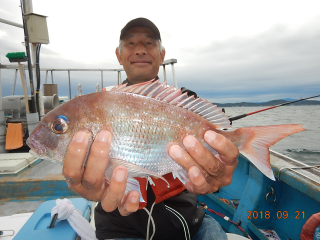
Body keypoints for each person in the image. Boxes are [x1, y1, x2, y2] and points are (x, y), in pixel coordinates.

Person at [62, 18, 239, 240]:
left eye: (149, 44)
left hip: (185, 217)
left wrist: (215, 178)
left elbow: (210, 172)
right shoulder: (98, 105)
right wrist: (81, 180)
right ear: (118, 55)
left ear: (161, 55)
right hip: (119, 222)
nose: (140, 51)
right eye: (130, 44)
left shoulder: (185, 101)